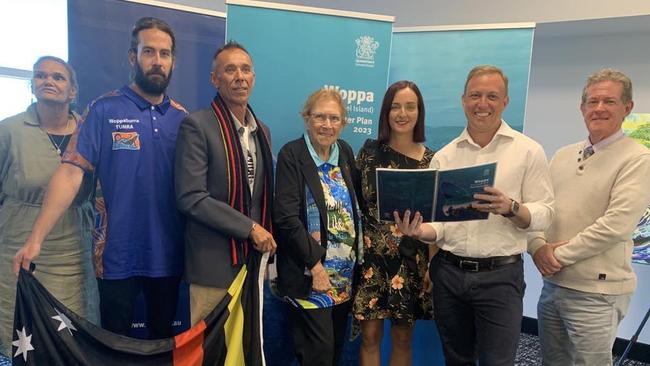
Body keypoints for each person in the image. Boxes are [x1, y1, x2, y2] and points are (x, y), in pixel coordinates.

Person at [13, 17, 187, 339]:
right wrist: (35, 239)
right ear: (132, 57)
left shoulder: (183, 118)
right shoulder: (103, 109)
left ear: (173, 61)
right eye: (149, 51)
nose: (157, 61)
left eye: (165, 54)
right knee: (113, 344)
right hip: (114, 255)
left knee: (165, 342)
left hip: (169, 254)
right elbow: (69, 173)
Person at [395, 65, 554, 365]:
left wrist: (512, 208)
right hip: (449, 275)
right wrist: (419, 231)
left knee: (497, 362)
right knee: (457, 359)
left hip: (500, 277)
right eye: (475, 95)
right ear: (463, 100)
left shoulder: (528, 151)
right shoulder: (445, 156)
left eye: (492, 96)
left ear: (505, 101)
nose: (483, 104)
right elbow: (439, 226)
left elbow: (546, 213)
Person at [529, 68, 650, 366]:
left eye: (609, 101)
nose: (599, 109)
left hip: (596, 294)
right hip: (553, 286)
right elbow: (539, 207)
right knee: (552, 362)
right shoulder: (563, 155)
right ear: (582, 108)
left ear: (627, 108)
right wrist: (536, 247)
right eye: (592, 101)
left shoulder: (637, 159)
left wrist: (555, 256)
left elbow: (616, 226)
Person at [0, 56, 97, 355]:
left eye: (58, 77)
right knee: (21, 338)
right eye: (41, 76)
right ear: (32, 85)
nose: (48, 81)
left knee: (72, 341)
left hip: (73, 253)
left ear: (73, 91)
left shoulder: (90, 130)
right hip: (20, 249)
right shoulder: (9, 131)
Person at [174, 41, 275, 327]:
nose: (239, 76)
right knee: (211, 352)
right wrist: (250, 228)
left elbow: (260, 197)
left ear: (253, 78)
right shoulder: (197, 125)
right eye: (230, 70)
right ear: (214, 79)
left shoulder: (262, 131)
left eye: (245, 69)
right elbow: (191, 196)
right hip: (213, 267)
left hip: (251, 265)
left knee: (243, 351)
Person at [274, 88, 361, 366]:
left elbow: (353, 209)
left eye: (334, 118)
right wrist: (316, 266)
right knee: (318, 356)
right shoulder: (292, 154)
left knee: (333, 354)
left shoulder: (345, 153)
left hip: (343, 279)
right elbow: (287, 219)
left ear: (343, 122)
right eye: (320, 117)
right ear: (306, 118)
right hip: (311, 277)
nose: (327, 125)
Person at [352, 80, 435, 366]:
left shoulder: (432, 161)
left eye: (410, 107)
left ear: (419, 112)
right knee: (370, 337)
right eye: (395, 106)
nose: (402, 113)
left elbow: (438, 222)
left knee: (402, 339)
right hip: (371, 261)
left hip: (410, 261)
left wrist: (432, 266)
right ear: (386, 112)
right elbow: (355, 205)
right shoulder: (369, 152)